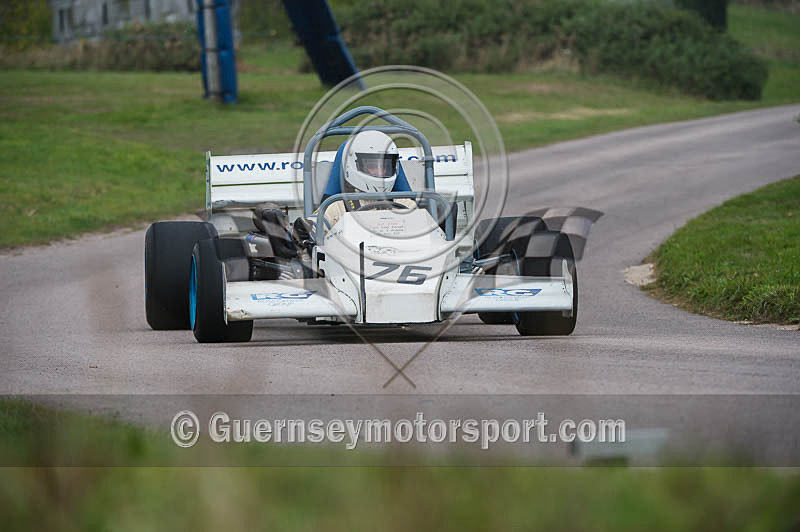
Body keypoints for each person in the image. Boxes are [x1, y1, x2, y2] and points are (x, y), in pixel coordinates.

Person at [291, 130, 417, 248]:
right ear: (353, 164)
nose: (380, 171)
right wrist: (302, 230)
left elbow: (429, 236)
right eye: (373, 166)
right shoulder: (337, 206)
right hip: (348, 268)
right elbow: (312, 228)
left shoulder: (405, 204)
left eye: (385, 166)